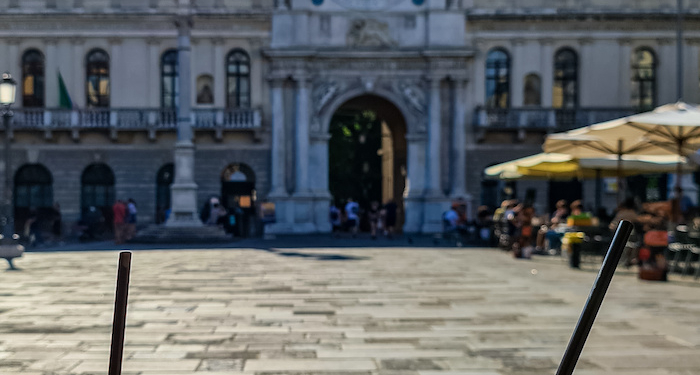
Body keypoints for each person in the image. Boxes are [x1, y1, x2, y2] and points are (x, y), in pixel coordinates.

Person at [609, 198, 639, 267]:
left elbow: (613, 223)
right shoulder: (633, 213)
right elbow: (637, 220)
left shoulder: (621, 212)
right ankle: (628, 260)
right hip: (628, 233)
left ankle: (620, 260)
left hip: (617, 232)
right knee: (630, 245)